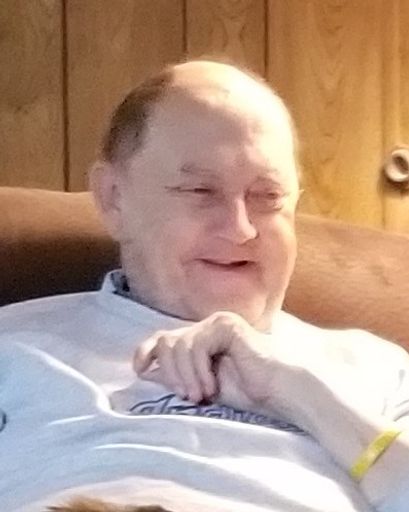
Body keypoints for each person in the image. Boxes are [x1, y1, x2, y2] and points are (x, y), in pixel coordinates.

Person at [1, 60, 409, 512]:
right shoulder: (14, 341)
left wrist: (299, 393)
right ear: (113, 198)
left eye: (267, 196)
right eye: (200, 191)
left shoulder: (379, 368)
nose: (240, 229)